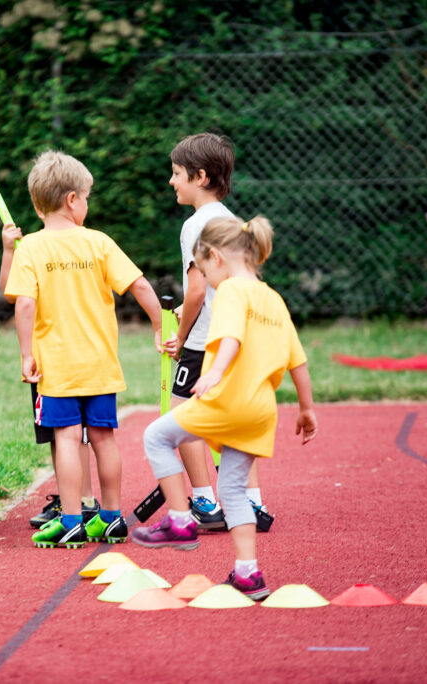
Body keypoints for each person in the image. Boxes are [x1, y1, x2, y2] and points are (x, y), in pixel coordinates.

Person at [131, 215, 318, 600]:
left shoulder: (233, 290)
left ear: (216, 257)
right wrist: (306, 408)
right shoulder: (273, 299)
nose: (207, 281)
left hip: (230, 399)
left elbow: (231, 336)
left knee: (156, 435)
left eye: (203, 270)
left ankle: (181, 520)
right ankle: (248, 573)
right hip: (262, 412)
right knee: (233, 489)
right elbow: (297, 360)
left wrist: (214, 372)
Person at [4, 150, 162, 548]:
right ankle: (111, 518)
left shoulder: (31, 249)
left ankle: (72, 519)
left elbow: (23, 303)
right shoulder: (99, 242)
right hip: (99, 364)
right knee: (104, 437)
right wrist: (160, 325)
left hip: (58, 368)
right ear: (72, 199)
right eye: (87, 196)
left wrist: (26, 354)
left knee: (67, 438)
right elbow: (140, 286)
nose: (87, 204)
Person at [166, 133, 274, 533]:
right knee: (233, 419)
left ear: (199, 176)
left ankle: (205, 500)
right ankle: (251, 503)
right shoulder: (232, 221)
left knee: (182, 416)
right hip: (235, 337)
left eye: (176, 174)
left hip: (204, 341)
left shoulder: (195, 225)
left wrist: (180, 333)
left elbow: (196, 290)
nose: (172, 182)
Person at [0, 223, 101, 529]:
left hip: (79, 356)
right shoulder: (32, 246)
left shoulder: (88, 244)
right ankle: (69, 499)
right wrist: (7, 251)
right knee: (59, 436)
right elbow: (12, 294)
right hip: (47, 358)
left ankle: (84, 501)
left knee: (76, 435)